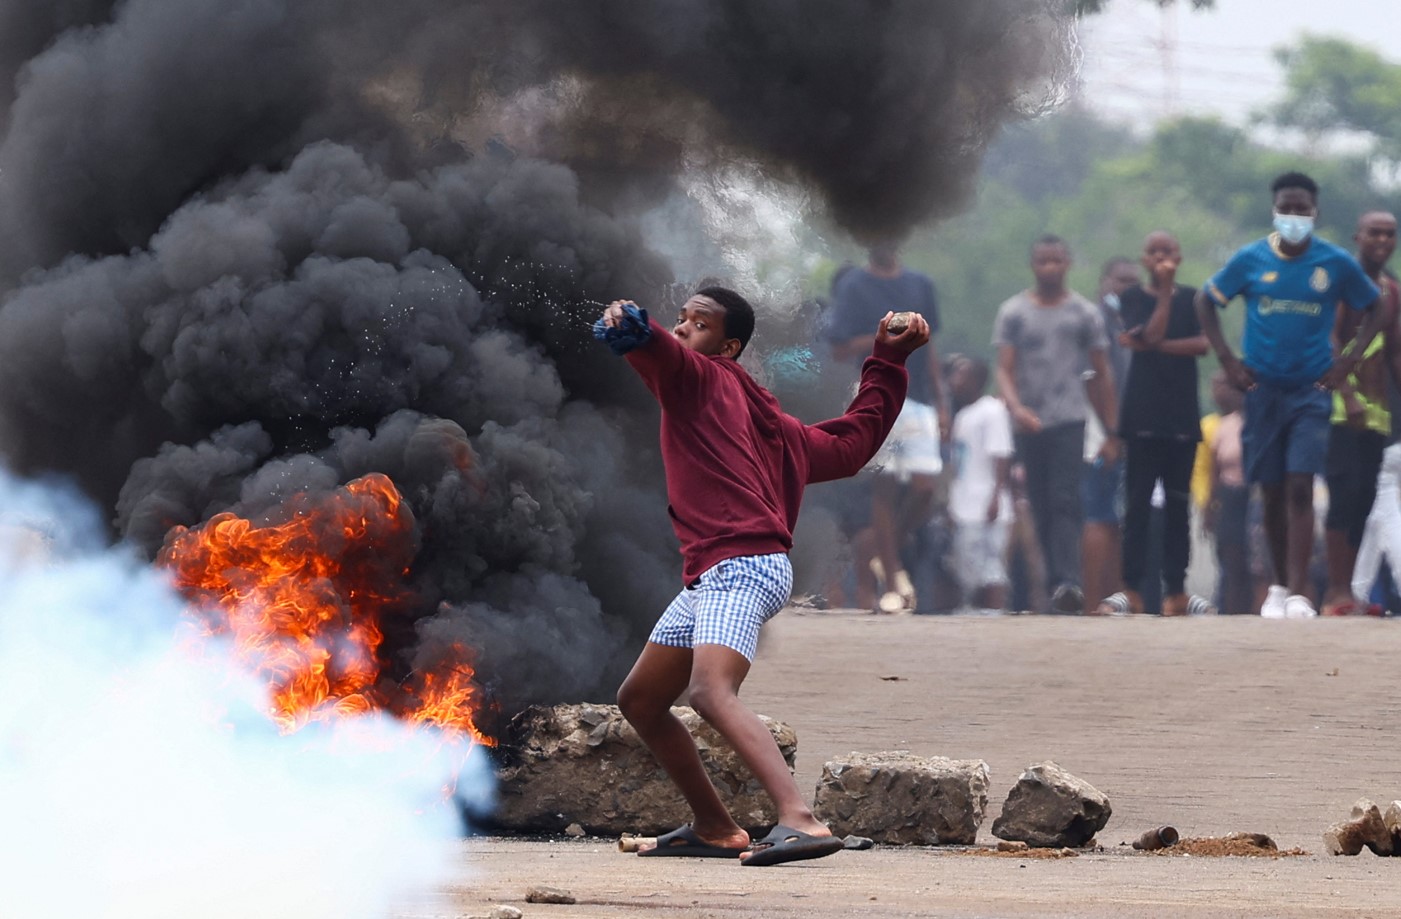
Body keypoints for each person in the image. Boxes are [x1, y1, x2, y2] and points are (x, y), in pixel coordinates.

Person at [595, 287, 928, 866]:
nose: (681, 330)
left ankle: (801, 820)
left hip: (739, 566)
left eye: (697, 324)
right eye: (678, 321)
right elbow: (853, 442)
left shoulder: (700, 377)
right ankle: (715, 827)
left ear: (728, 347)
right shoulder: (773, 424)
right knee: (642, 698)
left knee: (708, 692)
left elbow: (663, 355)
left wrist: (635, 329)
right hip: (716, 571)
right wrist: (889, 361)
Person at [1196, 172, 1386, 618]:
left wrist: (1349, 360)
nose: (1294, 216)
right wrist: (1227, 359)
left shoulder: (1334, 262)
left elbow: (1377, 305)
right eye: (1287, 208)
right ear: (1275, 210)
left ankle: (1301, 592)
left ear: (1315, 213)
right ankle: (1279, 587)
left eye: (1303, 209)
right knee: (1272, 489)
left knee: (1302, 484)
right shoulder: (1250, 259)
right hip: (1261, 390)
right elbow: (1206, 301)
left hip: (1311, 390)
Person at [993, 235, 1121, 613]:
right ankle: (1054, 583)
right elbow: (1005, 368)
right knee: (1042, 503)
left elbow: (1102, 372)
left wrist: (1112, 431)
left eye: (1056, 261)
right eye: (1043, 261)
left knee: (1066, 499)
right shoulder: (1014, 312)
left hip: (1069, 417)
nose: (1050, 268)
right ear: (1033, 265)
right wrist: (1016, 408)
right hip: (1029, 422)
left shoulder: (1084, 313)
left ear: (1067, 264)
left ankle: (1069, 581)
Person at [826, 244, 947, 612]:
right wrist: (884, 337)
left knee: (926, 486)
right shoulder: (854, 287)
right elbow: (839, 349)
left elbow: (931, 347)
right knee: (885, 485)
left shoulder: (920, 284)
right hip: (875, 390)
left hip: (919, 396)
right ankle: (893, 578)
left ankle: (885, 545)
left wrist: (942, 402)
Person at [1097, 232, 1210, 615]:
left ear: (1179, 256)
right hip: (1142, 416)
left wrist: (1151, 345)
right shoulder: (1131, 298)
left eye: (1168, 252)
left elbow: (1202, 345)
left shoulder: (1195, 297)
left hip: (1181, 416)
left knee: (1179, 507)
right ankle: (1132, 589)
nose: (1161, 258)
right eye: (1154, 252)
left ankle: (1176, 591)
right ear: (1144, 260)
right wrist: (1163, 297)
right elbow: (1152, 330)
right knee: (1137, 505)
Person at [1322, 211, 1400, 616]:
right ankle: (1335, 590)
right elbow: (1330, 337)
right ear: (1358, 235)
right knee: (1343, 491)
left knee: (1365, 498)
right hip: (1339, 407)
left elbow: (1395, 351)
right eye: (1375, 232)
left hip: (1378, 411)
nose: (1382, 240)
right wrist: (1348, 395)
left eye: (1389, 233)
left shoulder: (1392, 290)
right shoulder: (1340, 282)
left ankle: (1352, 593)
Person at [1082, 257, 1138, 616]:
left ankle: (1115, 599)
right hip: (1100, 434)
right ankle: (1092, 602)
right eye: (1120, 280)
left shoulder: (1130, 324)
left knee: (1119, 520)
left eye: (1133, 281)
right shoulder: (1095, 320)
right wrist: (1112, 433)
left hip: (1126, 432)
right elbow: (1094, 381)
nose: (1126, 288)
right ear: (1104, 282)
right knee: (1099, 515)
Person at [948, 355, 1013, 610]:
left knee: (992, 565)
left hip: (987, 503)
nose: (954, 381)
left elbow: (1001, 454)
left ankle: (994, 613)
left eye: (960, 375)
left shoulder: (992, 411)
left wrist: (996, 495)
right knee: (967, 566)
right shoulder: (963, 415)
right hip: (965, 504)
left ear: (976, 380)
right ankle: (972, 613)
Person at [1202, 371, 1254, 614]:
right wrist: (1209, 509)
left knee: (1254, 564)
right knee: (1232, 561)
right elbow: (1214, 470)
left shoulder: (1259, 422)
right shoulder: (1225, 426)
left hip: (1255, 498)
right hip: (1230, 497)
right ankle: (1231, 614)